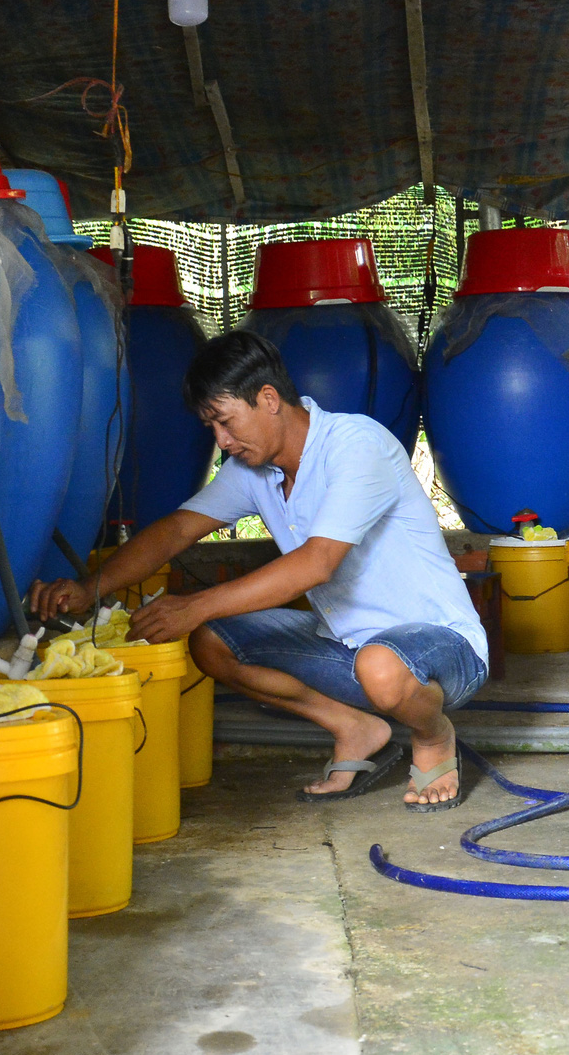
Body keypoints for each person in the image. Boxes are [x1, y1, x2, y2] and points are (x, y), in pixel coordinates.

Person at [28, 330, 487, 809]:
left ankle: (434, 736)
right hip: (349, 647)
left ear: (268, 398)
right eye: (212, 429)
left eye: (225, 422)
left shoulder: (355, 445)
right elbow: (176, 531)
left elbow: (317, 563)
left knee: (381, 666)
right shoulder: (254, 470)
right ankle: (355, 728)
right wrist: (88, 589)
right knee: (211, 641)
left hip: (444, 646)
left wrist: (194, 603)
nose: (223, 442)